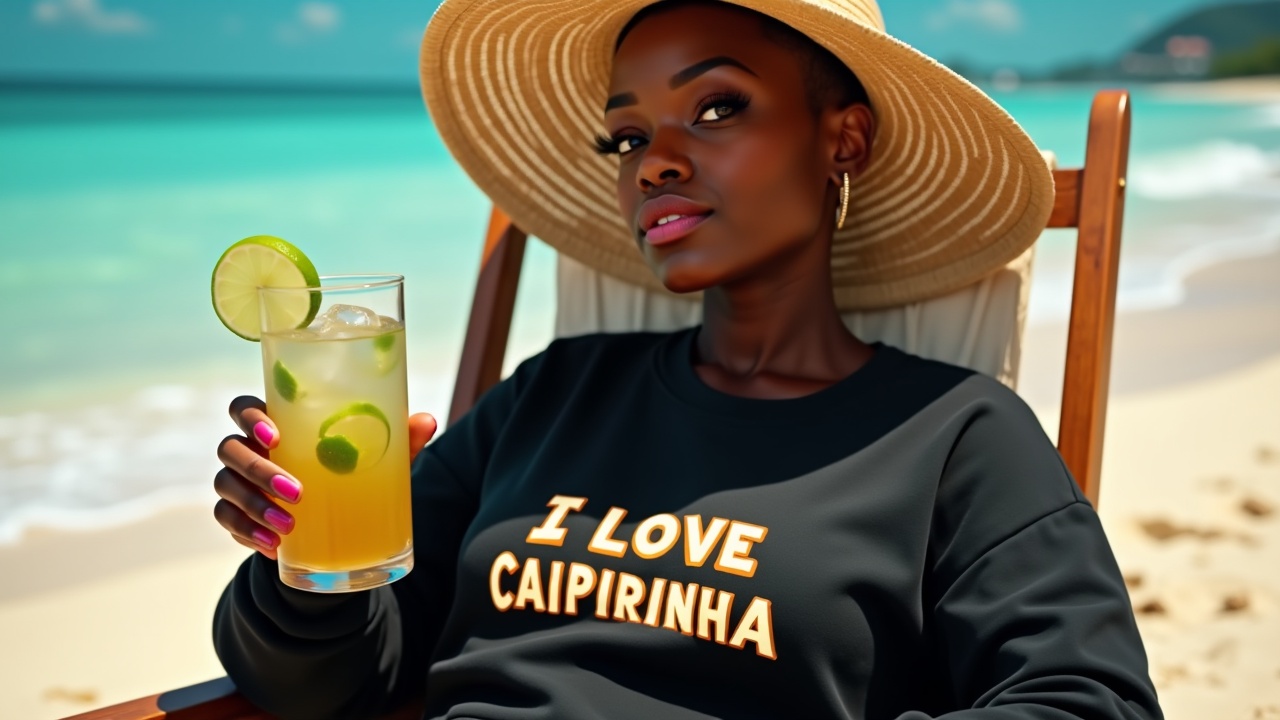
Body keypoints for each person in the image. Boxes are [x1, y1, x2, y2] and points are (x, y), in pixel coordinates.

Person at [211, 0, 1164, 718]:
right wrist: (308, 562)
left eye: (715, 109)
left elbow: (1090, 701)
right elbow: (336, 683)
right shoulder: (556, 391)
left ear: (844, 137)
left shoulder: (954, 437)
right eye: (629, 136)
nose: (653, 161)